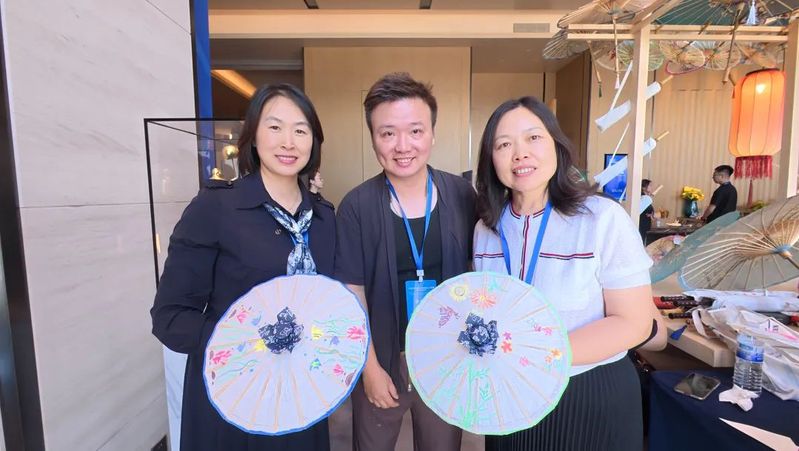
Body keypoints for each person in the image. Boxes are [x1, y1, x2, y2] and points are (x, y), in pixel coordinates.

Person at [473, 96, 665, 451]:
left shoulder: (601, 218)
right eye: (504, 145)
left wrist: (540, 353)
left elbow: (634, 323)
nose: (520, 154)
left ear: (556, 146)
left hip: (590, 394)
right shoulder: (486, 229)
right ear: (491, 160)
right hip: (511, 394)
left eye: (533, 138)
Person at [150, 84, 334, 451]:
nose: (288, 142)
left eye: (300, 130)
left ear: (313, 142)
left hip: (301, 395)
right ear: (253, 135)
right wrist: (247, 340)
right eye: (275, 127)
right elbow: (170, 316)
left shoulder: (325, 218)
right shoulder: (215, 209)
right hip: (232, 394)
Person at [335, 72, 475, 451]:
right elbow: (351, 293)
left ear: (432, 133)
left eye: (415, 131)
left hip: (446, 357)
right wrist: (370, 369)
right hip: (382, 357)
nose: (402, 146)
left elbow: (479, 277)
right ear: (373, 138)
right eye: (387, 133)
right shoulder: (357, 206)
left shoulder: (462, 195)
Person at [639, 178, 655, 242]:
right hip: (641, 224)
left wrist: (651, 214)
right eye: (650, 185)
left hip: (645, 224)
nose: (651, 187)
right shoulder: (645, 198)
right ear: (644, 187)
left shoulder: (646, 198)